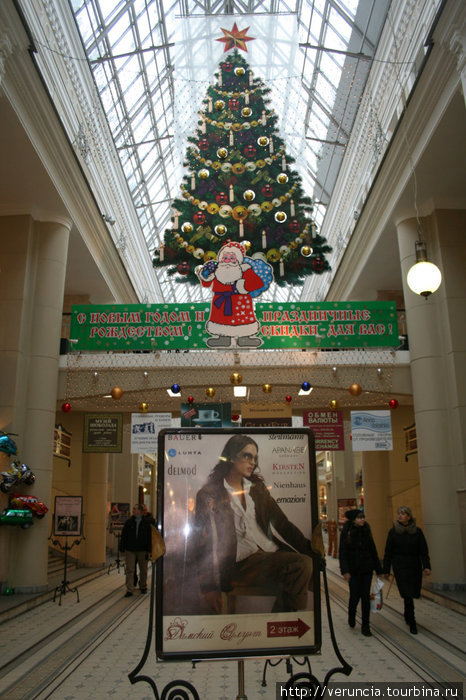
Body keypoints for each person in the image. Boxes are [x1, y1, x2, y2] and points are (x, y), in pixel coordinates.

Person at [194, 434, 315, 613]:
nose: (252, 462)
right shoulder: (209, 494)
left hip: (268, 554)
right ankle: (283, 623)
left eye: (255, 458)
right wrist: (209, 587)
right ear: (232, 456)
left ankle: (280, 622)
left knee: (306, 564)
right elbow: (201, 541)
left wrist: (313, 552)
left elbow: (282, 524)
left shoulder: (256, 490)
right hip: (238, 563)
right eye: (247, 456)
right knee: (301, 565)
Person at [196, 240, 272, 348]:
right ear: (221, 258)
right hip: (220, 301)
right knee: (220, 320)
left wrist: (244, 286)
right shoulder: (216, 270)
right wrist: (205, 274)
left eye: (232, 258)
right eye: (225, 257)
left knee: (243, 319)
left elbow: (257, 283)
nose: (228, 261)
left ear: (238, 259)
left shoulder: (245, 269)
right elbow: (205, 283)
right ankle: (223, 339)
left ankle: (244, 339)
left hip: (239, 301)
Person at [383, 506, 431, 634]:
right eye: (399, 514)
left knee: (413, 592)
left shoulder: (417, 531)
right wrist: (386, 570)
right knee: (407, 593)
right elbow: (388, 552)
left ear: (409, 517)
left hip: (414, 565)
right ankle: (412, 621)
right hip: (400, 566)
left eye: (403, 514)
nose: (400, 516)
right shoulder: (393, 532)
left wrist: (426, 566)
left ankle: (407, 613)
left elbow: (423, 550)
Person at [339, 509, 382, 637]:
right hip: (353, 570)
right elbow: (343, 553)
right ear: (353, 519)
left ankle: (365, 625)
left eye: (363, 517)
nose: (362, 519)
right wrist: (345, 571)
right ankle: (351, 614)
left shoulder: (366, 530)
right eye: (359, 517)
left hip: (366, 569)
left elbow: (373, 550)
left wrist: (379, 570)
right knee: (354, 597)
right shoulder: (347, 532)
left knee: (365, 598)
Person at [120, 504, 152, 597]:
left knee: (143, 569)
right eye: (133, 509)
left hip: (142, 549)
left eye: (135, 509)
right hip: (130, 549)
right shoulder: (129, 522)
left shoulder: (146, 523)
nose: (133, 510)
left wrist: (149, 550)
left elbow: (149, 538)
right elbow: (124, 536)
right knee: (130, 569)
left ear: (140, 511)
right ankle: (130, 589)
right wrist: (122, 548)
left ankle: (143, 586)